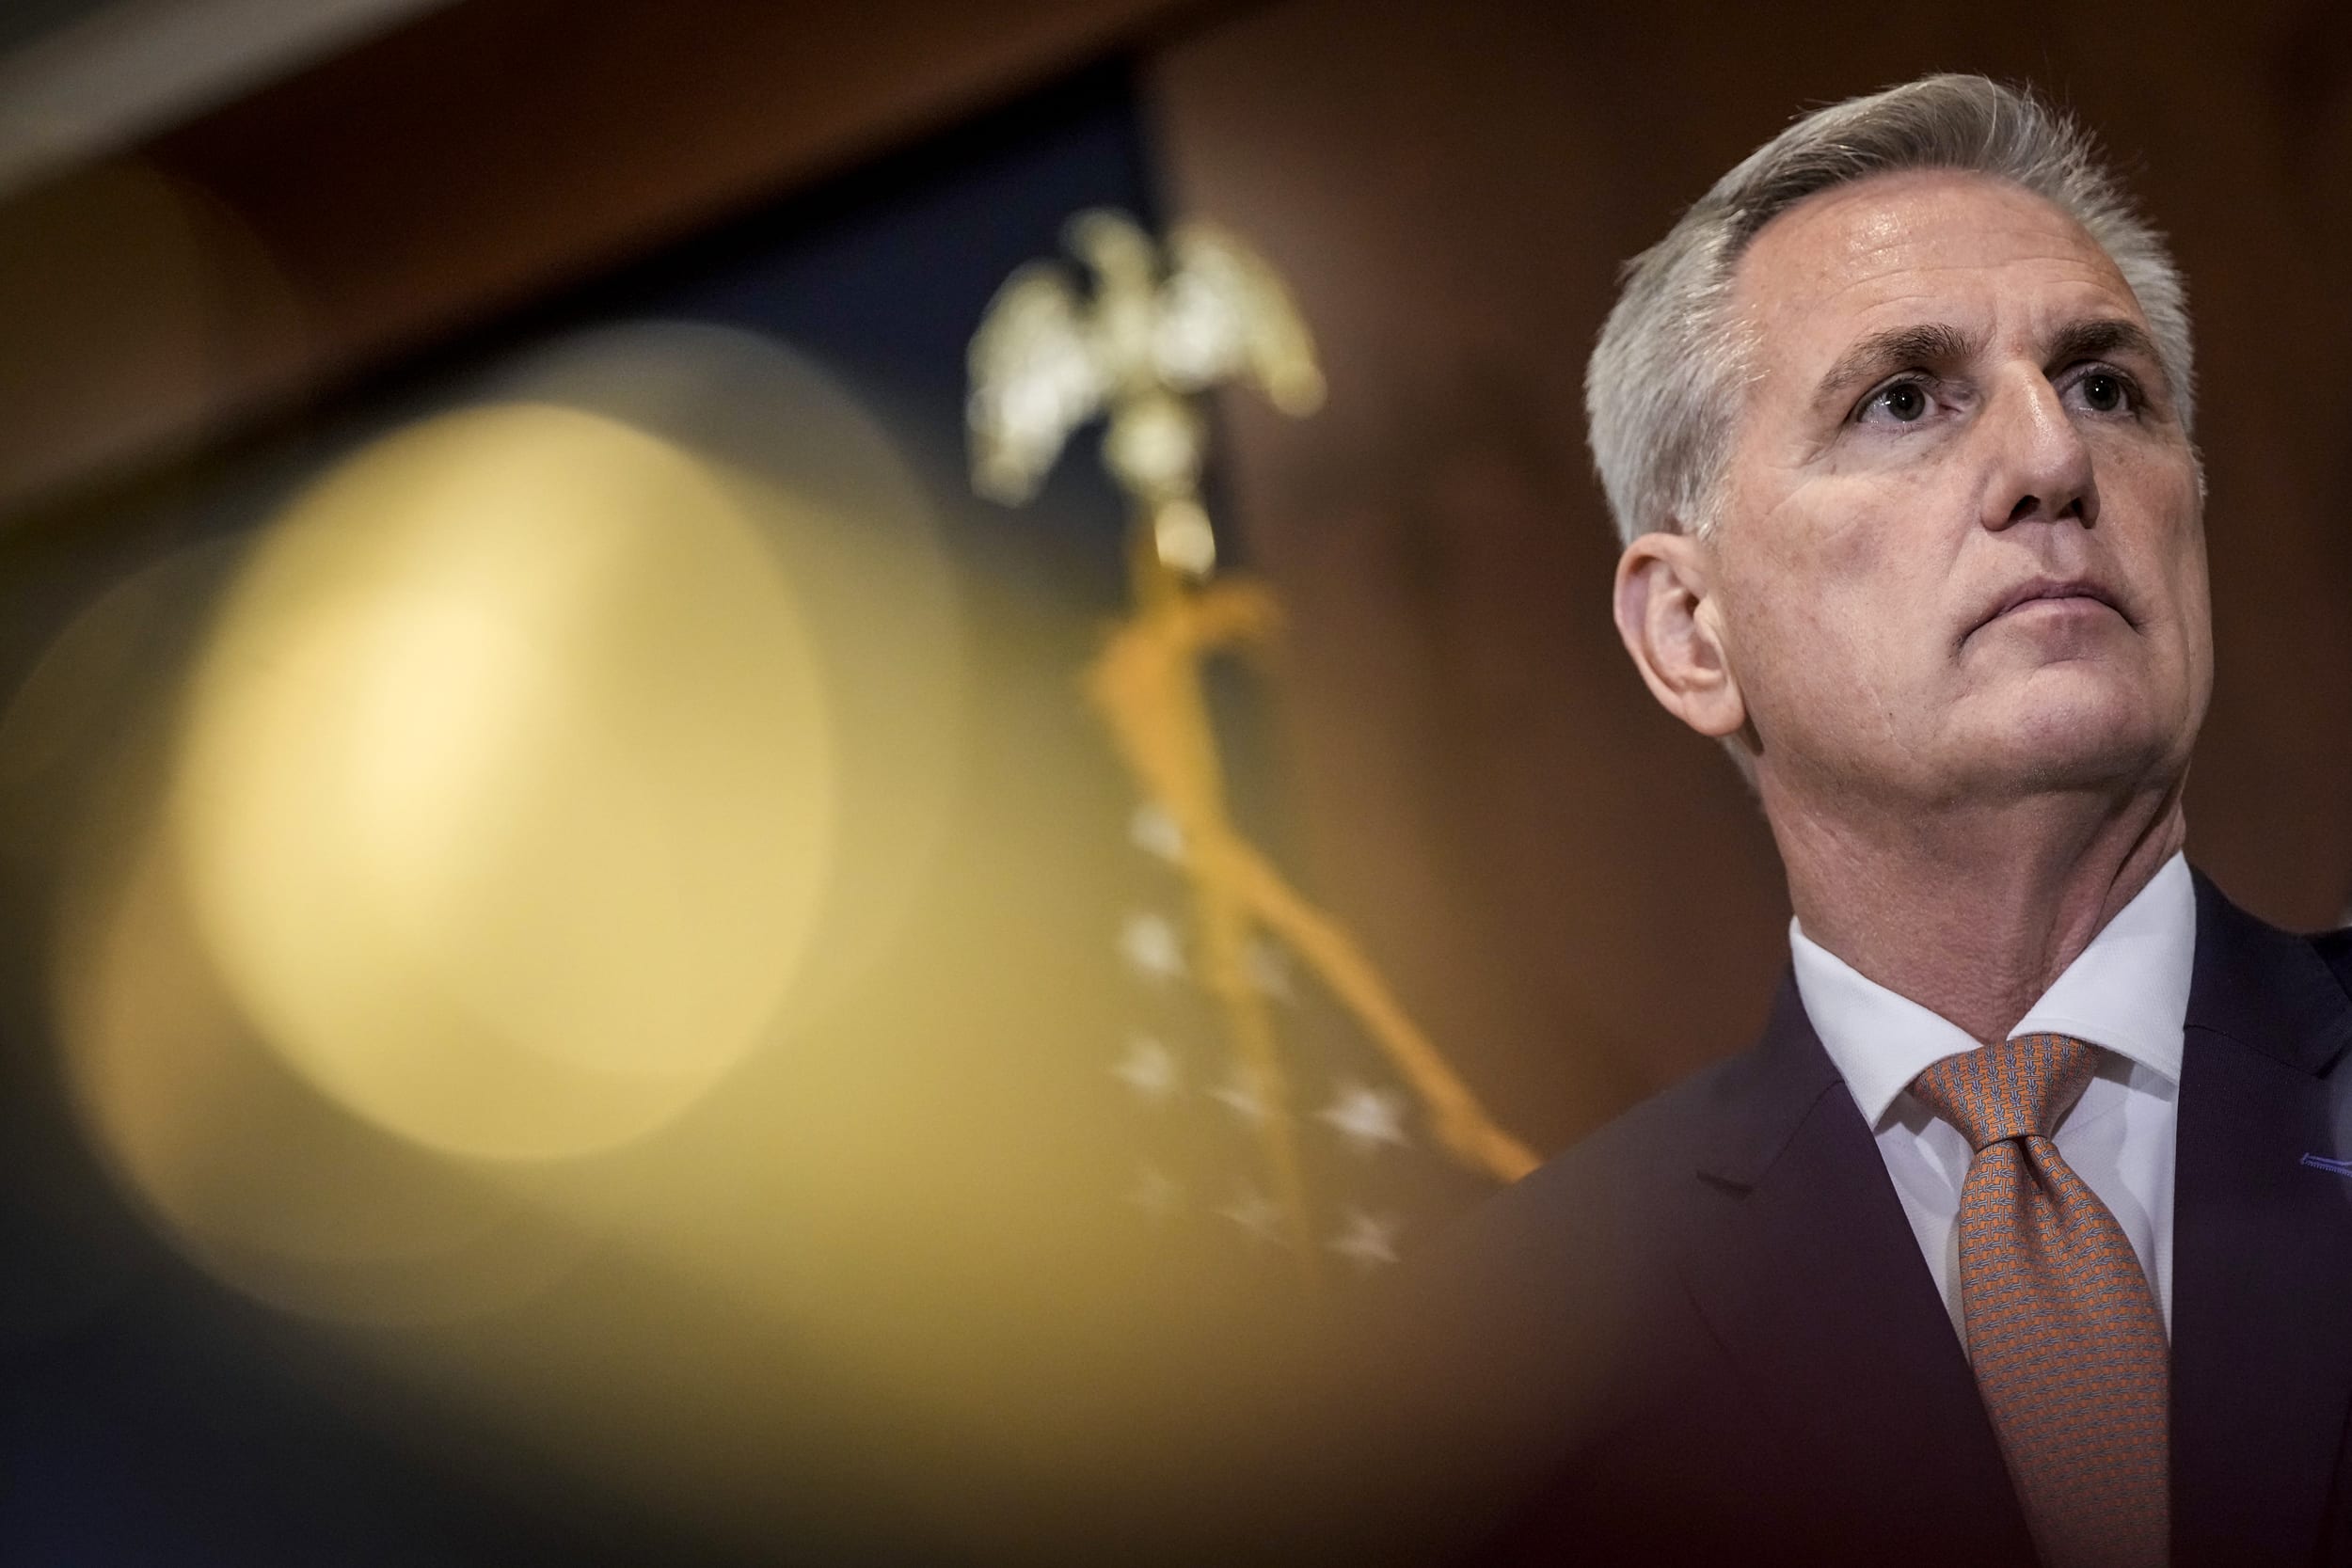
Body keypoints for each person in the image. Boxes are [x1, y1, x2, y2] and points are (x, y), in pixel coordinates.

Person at [1222, 73, 2352, 1568]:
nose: (2053, 463)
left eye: (2105, 386)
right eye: (1904, 400)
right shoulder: (1490, 1371)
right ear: (1690, 631)